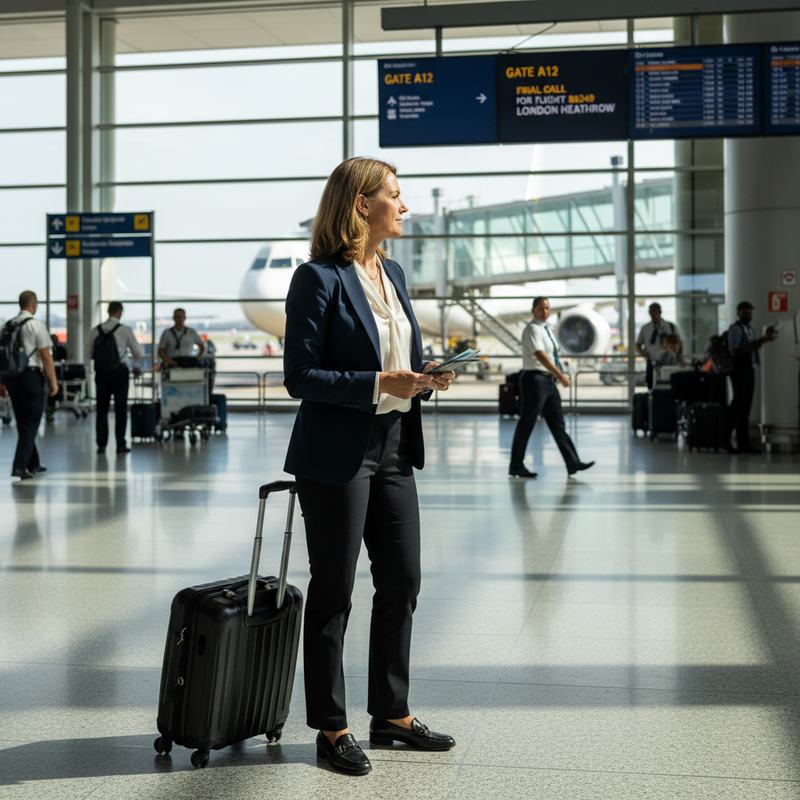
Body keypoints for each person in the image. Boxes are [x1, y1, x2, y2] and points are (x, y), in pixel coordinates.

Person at [282, 157, 456, 776]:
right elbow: (298, 377)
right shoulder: (318, 278)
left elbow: (397, 351)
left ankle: (392, 714)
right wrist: (381, 380)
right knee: (334, 592)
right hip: (337, 453)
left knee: (403, 580)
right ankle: (332, 728)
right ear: (362, 205)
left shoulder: (395, 272)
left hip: (393, 446)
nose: (404, 207)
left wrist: (426, 375)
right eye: (395, 197)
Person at [509, 297, 595, 478]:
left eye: (547, 308)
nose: (545, 312)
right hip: (535, 379)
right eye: (541, 308)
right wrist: (560, 374)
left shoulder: (547, 329)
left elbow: (552, 353)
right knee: (527, 422)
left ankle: (573, 462)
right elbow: (540, 355)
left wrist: (557, 373)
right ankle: (516, 465)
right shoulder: (532, 329)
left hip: (548, 381)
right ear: (534, 310)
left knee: (558, 423)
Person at [2, 291, 58, 480]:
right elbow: (45, 355)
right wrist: (53, 381)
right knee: (32, 421)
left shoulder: (7, 326)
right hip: (31, 376)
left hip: (11, 378)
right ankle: (19, 466)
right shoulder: (36, 325)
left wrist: (1, 381)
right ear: (34, 306)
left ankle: (33, 463)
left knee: (23, 421)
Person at [85, 301, 144, 454]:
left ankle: (102, 445)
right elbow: (138, 352)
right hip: (120, 374)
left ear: (108, 311)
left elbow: (87, 353)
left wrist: (89, 372)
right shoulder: (124, 330)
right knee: (121, 409)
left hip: (101, 374)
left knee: (102, 409)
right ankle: (120, 444)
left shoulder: (95, 331)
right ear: (120, 312)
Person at [727, 301, 776, 454]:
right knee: (739, 407)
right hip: (740, 371)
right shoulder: (735, 330)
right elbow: (735, 351)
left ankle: (743, 443)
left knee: (745, 409)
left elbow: (750, 347)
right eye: (745, 313)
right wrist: (760, 341)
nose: (748, 316)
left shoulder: (748, 329)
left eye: (750, 313)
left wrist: (759, 341)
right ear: (739, 313)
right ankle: (728, 438)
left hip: (749, 369)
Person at [636, 302, 680, 389]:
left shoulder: (669, 326)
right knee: (651, 384)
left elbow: (678, 342)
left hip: (667, 360)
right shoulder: (645, 328)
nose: (653, 314)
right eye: (651, 312)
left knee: (667, 384)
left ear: (660, 312)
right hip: (652, 361)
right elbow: (638, 344)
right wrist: (643, 353)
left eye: (655, 311)